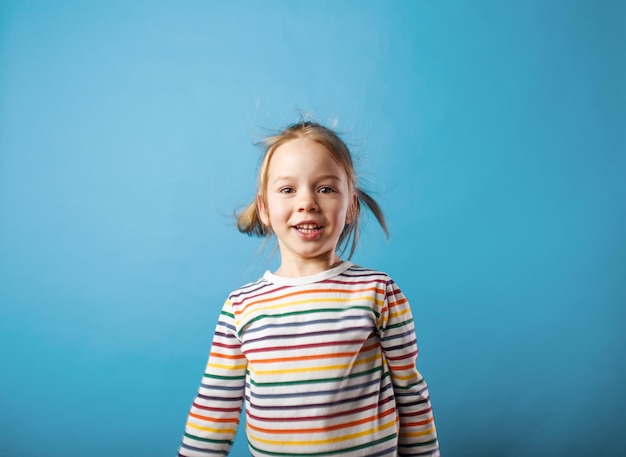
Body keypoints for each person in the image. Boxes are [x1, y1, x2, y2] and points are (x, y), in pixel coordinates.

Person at [178, 120, 440, 456]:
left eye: (326, 189)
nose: (307, 203)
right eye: (288, 190)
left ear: (352, 206)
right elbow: (214, 410)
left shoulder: (378, 292)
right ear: (265, 209)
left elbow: (410, 394)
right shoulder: (241, 307)